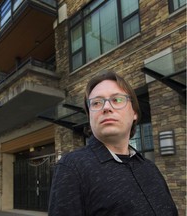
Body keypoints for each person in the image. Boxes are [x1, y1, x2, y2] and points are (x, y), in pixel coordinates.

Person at [48, 70, 178, 216]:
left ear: (134, 112)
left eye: (117, 100)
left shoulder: (150, 168)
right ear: (89, 115)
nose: (106, 107)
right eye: (96, 103)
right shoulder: (73, 167)